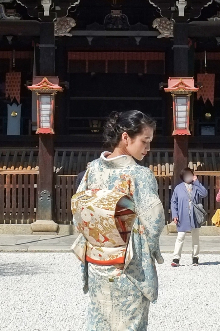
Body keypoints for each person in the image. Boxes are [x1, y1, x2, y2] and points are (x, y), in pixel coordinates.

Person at [75, 110, 164, 330]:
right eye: (145, 141)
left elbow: (79, 214)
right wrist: (152, 250)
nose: (148, 148)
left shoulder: (92, 169)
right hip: (128, 267)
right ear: (126, 137)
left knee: (100, 323)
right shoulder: (139, 175)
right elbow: (154, 222)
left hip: (97, 263)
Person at [170, 167, 207, 266]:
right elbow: (174, 202)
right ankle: (176, 258)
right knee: (180, 237)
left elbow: (204, 193)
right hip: (182, 215)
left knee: (195, 238)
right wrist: (175, 214)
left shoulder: (196, 186)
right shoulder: (178, 188)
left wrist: (197, 182)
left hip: (194, 215)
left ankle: (195, 257)